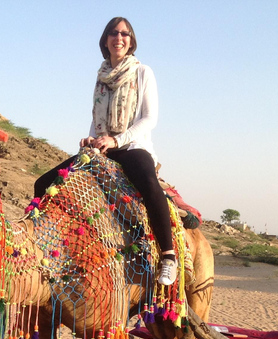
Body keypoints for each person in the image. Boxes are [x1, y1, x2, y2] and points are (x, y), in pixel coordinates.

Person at [34, 16, 178, 286]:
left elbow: (150, 118)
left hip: (132, 146)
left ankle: (168, 256)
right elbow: (97, 116)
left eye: (125, 33)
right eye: (113, 33)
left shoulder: (142, 72)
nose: (119, 37)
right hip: (102, 148)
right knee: (44, 183)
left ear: (131, 41)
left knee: (147, 181)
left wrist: (117, 139)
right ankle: (49, 249)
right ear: (105, 41)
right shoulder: (101, 77)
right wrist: (92, 138)